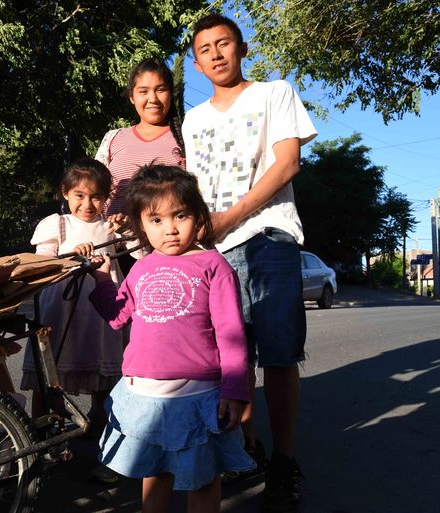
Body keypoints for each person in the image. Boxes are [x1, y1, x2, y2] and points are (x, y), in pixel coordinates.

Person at [182, 13, 318, 513]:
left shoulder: (273, 93)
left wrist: (231, 216)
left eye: (224, 44)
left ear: (242, 49)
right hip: (213, 249)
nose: (216, 54)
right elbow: (194, 186)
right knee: (228, 361)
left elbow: (288, 163)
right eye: (205, 49)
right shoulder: (194, 119)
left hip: (268, 237)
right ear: (196, 64)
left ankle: (284, 462)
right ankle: (247, 449)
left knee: (280, 355)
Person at [88, 164, 255, 513]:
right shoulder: (142, 267)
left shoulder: (214, 266)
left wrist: (236, 391)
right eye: (156, 220)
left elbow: (231, 335)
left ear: (198, 216)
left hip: (198, 397)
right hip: (144, 396)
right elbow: (118, 316)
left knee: (204, 478)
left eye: (180, 215)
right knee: (156, 472)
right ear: (141, 224)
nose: (171, 229)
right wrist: (103, 280)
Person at [20, 158, 126, 441]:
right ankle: (40, 435)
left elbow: (139, 254)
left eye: (96, 197)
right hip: (61, 310)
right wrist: (70, 258)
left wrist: (125, 231)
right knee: (50, 375)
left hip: (100, 311)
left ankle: (100, 433)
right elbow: (40, 264)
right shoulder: (57, 224)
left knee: (102, 377)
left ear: (105, 198)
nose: (87, 204)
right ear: (65, 193)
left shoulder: (110, 227)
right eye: (79, 195)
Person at [95, 57, 187, 274]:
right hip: (113, 252)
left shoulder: (185, 138)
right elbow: (93, 187)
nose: (152, 98)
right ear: (131, 97)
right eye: (143, 91)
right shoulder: (114, 138)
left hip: (166, 250)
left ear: (171, 94)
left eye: (160, 90)